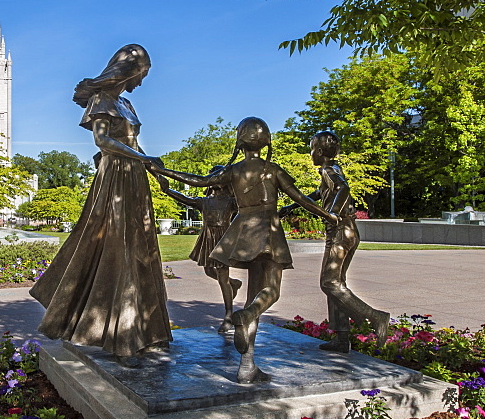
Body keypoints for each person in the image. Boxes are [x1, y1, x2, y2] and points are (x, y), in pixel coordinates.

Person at [151, 117, 337, 383]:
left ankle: (247, 364)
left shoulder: (234, 171)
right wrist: (328, 216)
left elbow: (198, 181)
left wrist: (162, 171)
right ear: (266, 141)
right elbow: (300, 198)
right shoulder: (273, 170)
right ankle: (247, 316)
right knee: (269, 292)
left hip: (242, 232)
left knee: (254, 294)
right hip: (268, 232)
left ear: (240, 142)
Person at [29, 44, 171, 364]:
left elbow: (133, 143)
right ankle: (121, 336)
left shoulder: (127, 103)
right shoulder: (102, 100)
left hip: (135, 178)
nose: (143, 81)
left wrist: (153, 170)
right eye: (143, 74)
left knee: (140, 249)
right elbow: (103, 142)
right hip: (116, 177)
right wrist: (145, 159)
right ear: (131, 70)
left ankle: (146, 330)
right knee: (117, 248)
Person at [280, 130, 390, 353]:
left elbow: (343, 188)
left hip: (340, 232)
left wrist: (331, 213)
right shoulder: (332, 169)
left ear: (319, 152)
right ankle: (341, 339)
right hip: (348, 231)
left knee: (329, 283)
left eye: (311, 149)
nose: (310, 153)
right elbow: (321, 193)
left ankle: (375, 318)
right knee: (337, 285)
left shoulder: (329, 170)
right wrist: (292, 207)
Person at [156, 167, 242, 332]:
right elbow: (185, 199)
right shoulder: (205, 201)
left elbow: (247, 206)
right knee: (209, 272)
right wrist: (167, 190)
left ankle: (228, 316)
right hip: (207, 238)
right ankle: (234, 284)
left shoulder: (232, 201)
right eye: (213, 177)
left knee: (222, 277)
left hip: (223, 239)